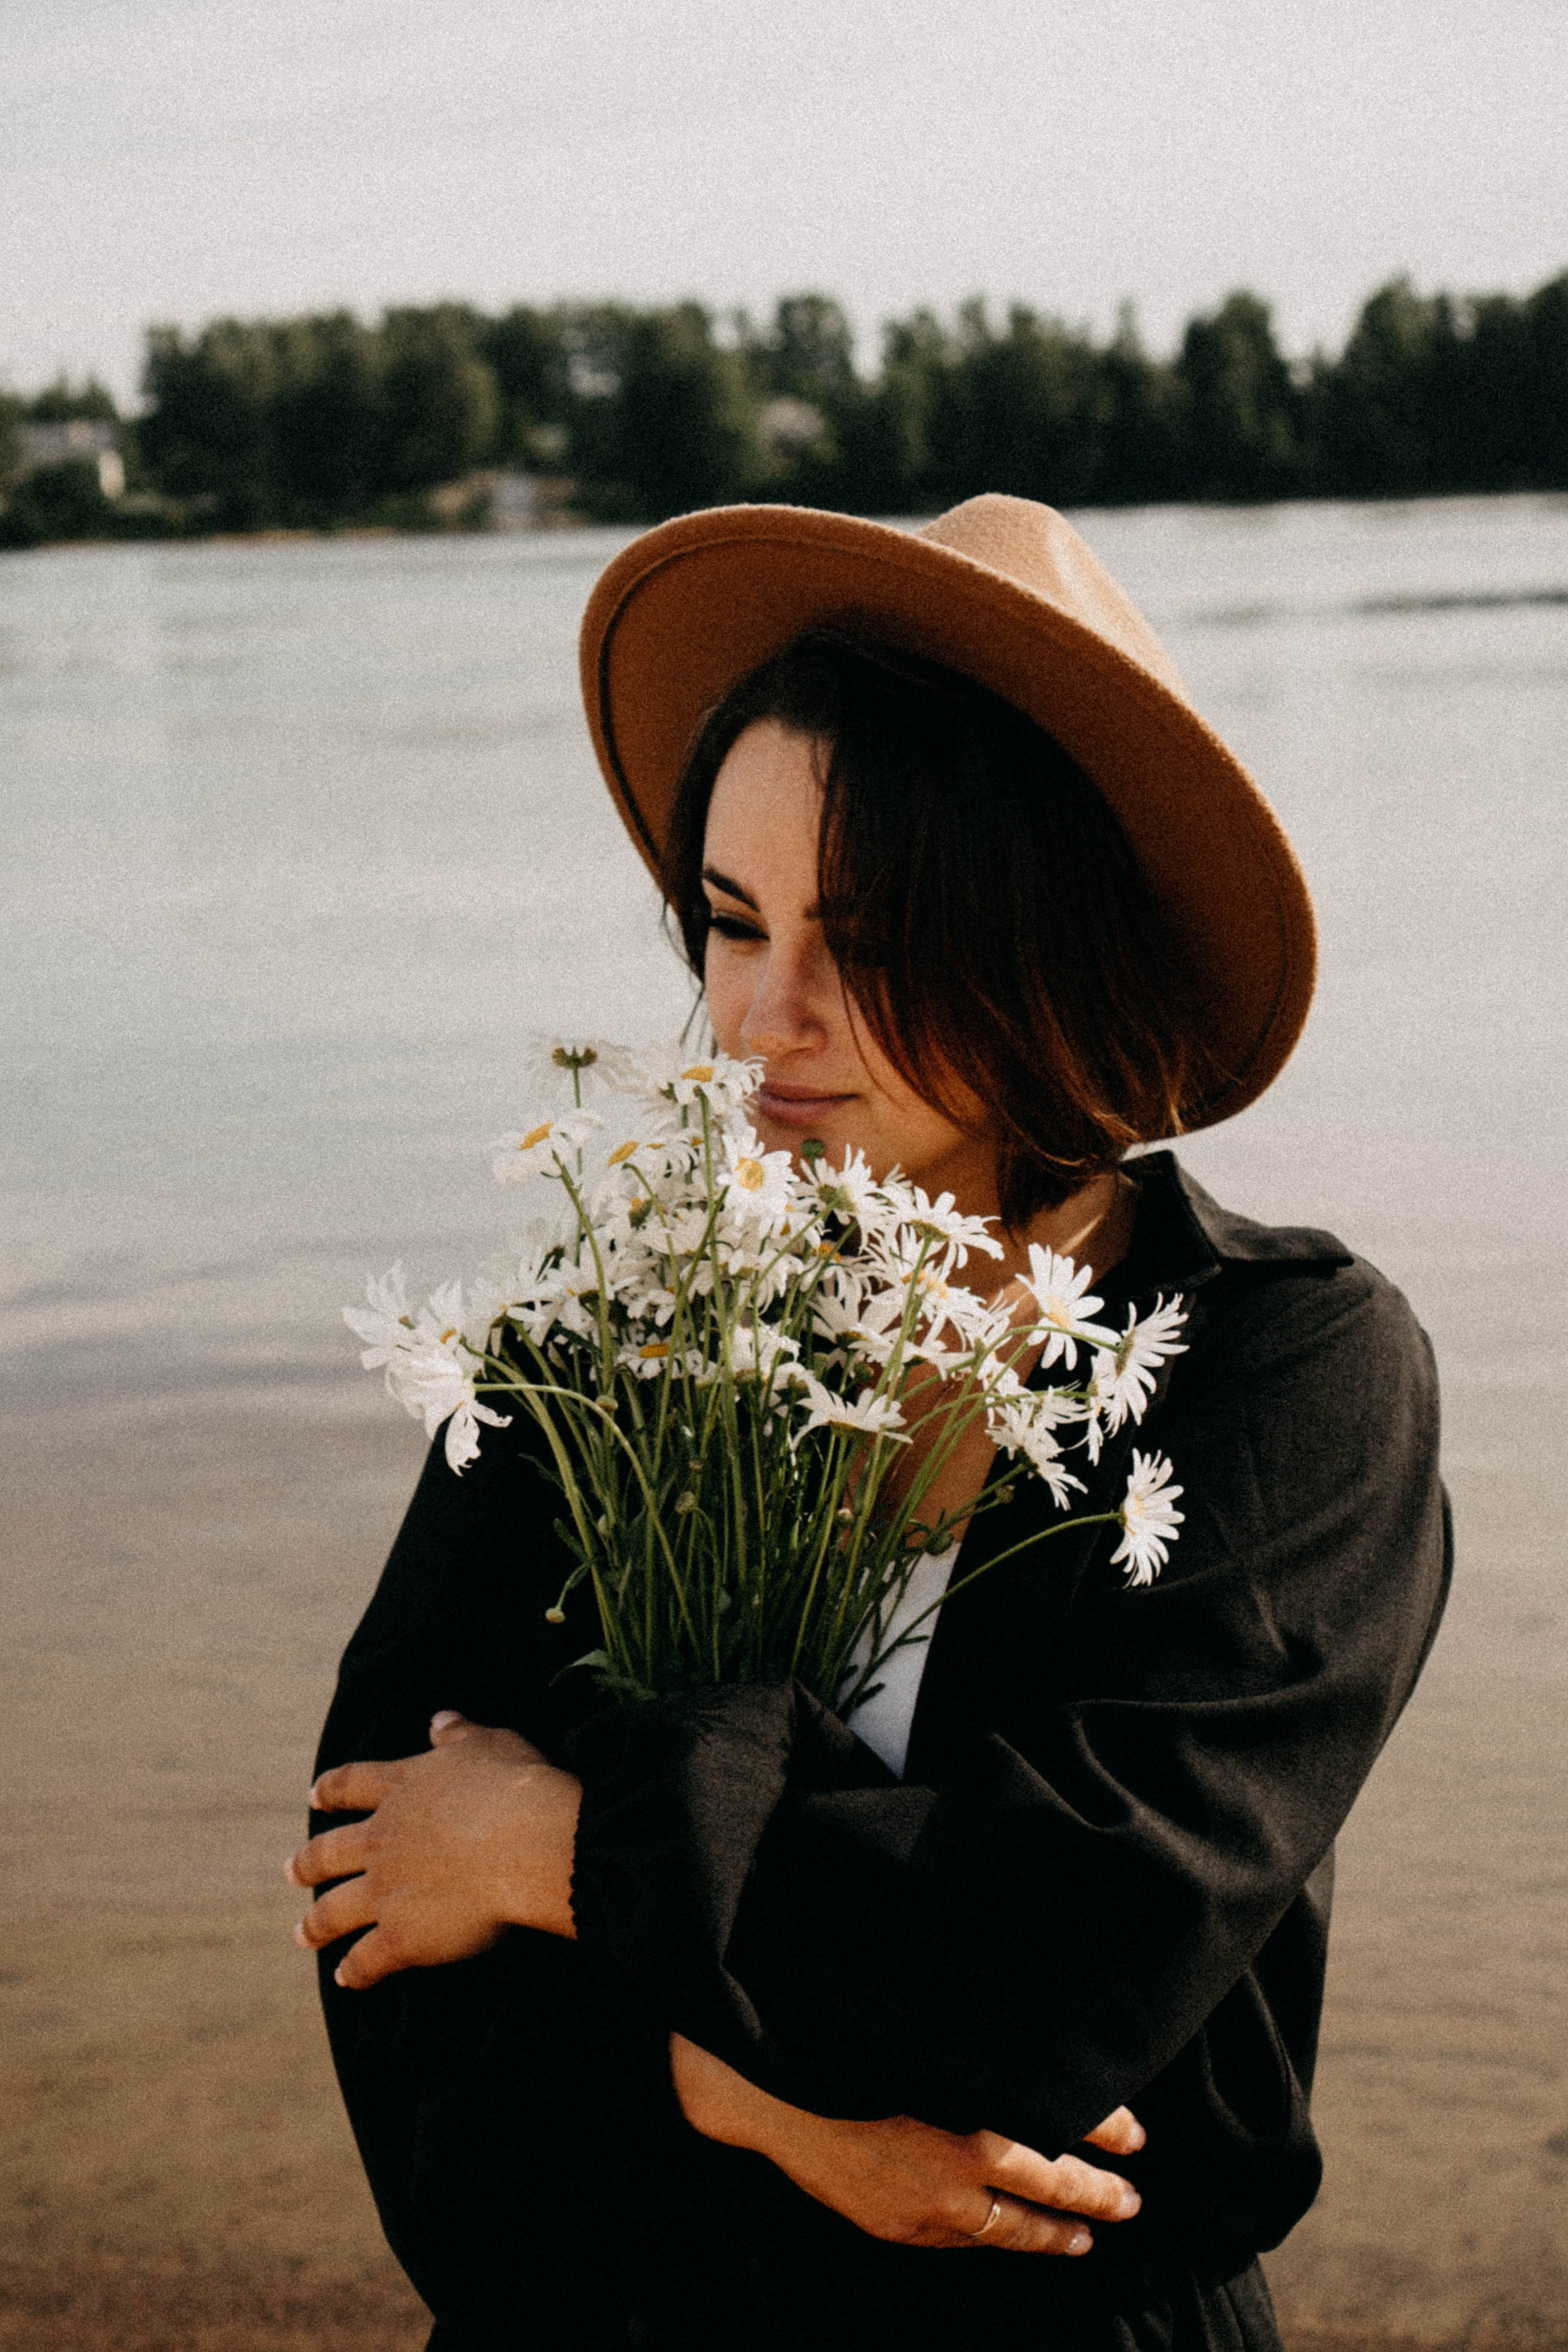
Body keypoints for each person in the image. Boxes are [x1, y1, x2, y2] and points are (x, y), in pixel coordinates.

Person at [288, 496, 1449, 2352]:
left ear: (1052, 939)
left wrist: (555, 1853)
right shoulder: (600, 1364)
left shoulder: (1284, 1379)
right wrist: (752, 2102)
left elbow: (1061, 1971)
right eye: (729, 926)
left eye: (873, 938)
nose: (762, 1021)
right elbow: (391, 1979)